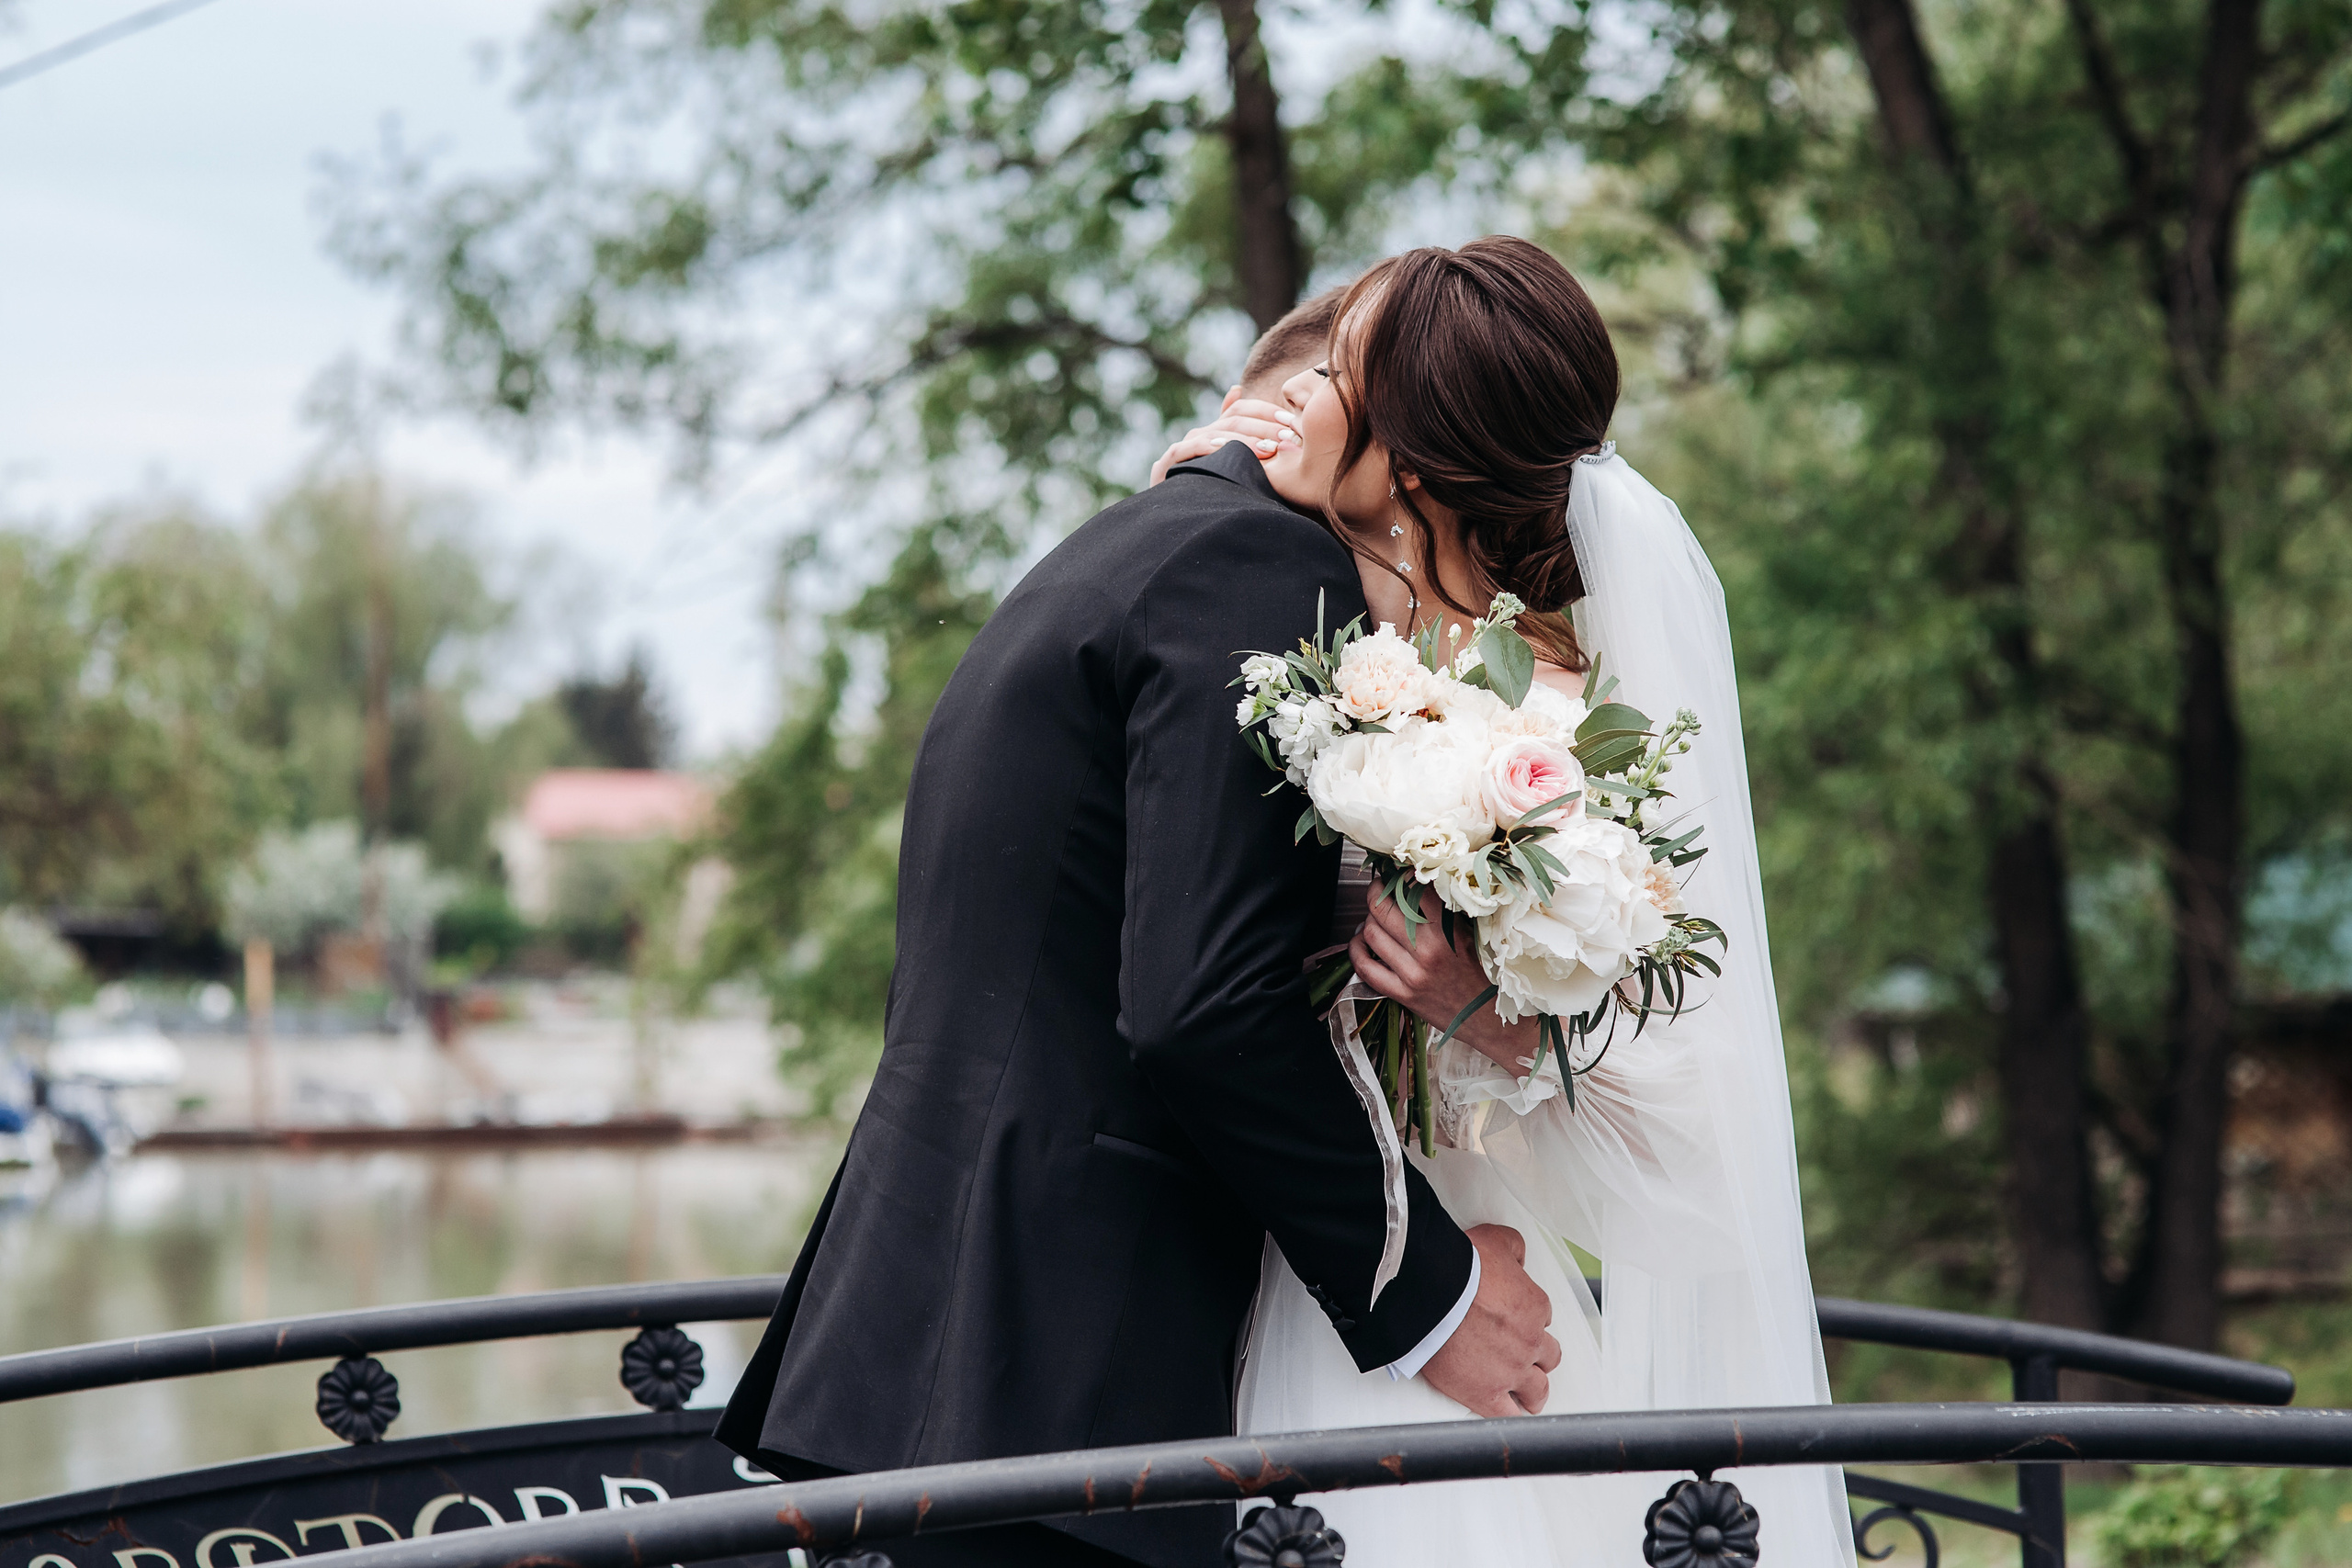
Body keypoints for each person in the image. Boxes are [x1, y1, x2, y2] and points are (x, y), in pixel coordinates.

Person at [715, 268, 1558, 1568]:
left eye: (1338, 382)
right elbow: (1202, 1008)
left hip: (960, 1357)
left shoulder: (1142, 549)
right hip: (1056, 1371)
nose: (1294, 410)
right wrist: (1434, 1301)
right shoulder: (1255, 565)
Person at [1189, 241, 1855, 1565]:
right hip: (1252, 1265)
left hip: (1432, 1274)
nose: (1310, 406)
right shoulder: (1321, 645)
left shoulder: (1549, 735)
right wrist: (1206, 474)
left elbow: (1698, 1138)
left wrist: (1479, 1007)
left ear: (1410, 460)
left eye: (1344, 385)